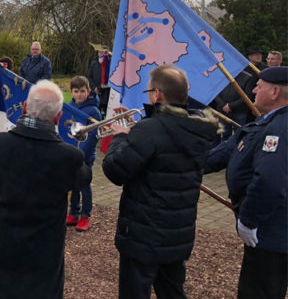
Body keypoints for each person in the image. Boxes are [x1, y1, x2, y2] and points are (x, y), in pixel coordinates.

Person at [102, 64, 220, 299]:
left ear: (157, 94)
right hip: (178, 232)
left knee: (134, 292)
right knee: (172, 291)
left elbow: (115, 171)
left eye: (148, 92)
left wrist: (119, 137)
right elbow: (165, 139)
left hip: (143, 234)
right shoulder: (199, 129)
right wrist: (139, 126)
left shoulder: (149, 131)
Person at [0, 80, 92, 299]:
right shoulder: (69, 156)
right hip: (44, 245)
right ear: (59, 117)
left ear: (23, 108)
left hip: (1, 239)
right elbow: (83, 179)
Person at [203, 66, 287, 299]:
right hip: (266, 228)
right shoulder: (265, 124)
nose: (253, 92)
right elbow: (226, 152)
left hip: (270, 230)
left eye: (259, 87)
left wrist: (249, 220)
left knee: (260, 291)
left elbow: (270, 180)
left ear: (274, 92)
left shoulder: (280, 129)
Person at [66, 75, 101, 232]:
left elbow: (93, 136)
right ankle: (74, 212)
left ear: (88, 91)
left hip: (85, 156)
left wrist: (80, 153)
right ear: (71, 92)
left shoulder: (93, 111)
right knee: (73, 184)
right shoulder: (69, 107)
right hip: (71, 154)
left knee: (84, 185)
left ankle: (85, 215)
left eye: (82, 91)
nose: (79, 94)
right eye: (76, 91)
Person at [211, 70, 256, 138]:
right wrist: (223, 105)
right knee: (224, 134)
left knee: (239, 134)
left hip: (240, 111)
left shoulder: (248, 77)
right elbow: (215, 91)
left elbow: (247, 96)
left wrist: (230, 106)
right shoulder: (220, 76)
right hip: (223, 110)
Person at [87, 44, 111, 116]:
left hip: (107, 93)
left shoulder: (110, 64)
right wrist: (94, 88)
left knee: (105, 113)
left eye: (103, 52)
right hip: (96, 92)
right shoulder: (94, 64)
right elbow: (89, 77)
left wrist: (101, 89)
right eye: (99, 52)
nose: (101, 54)